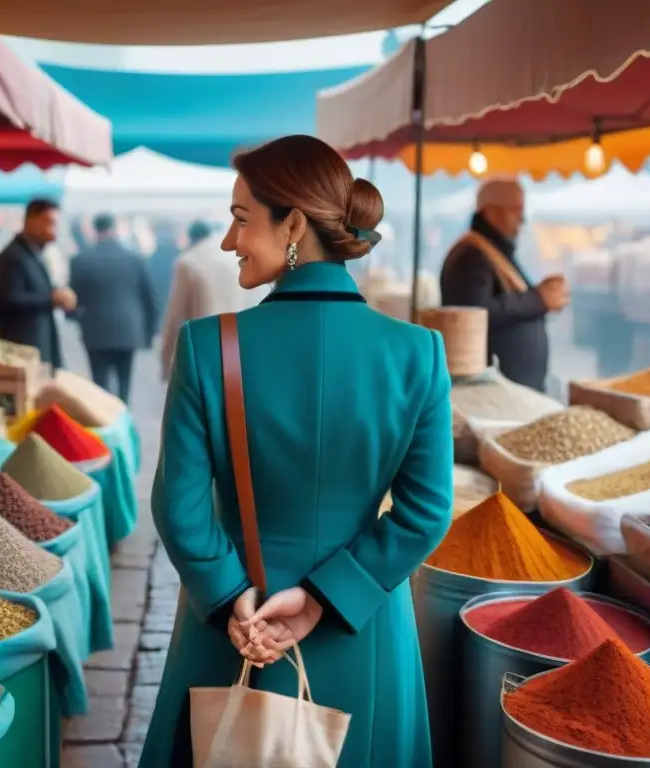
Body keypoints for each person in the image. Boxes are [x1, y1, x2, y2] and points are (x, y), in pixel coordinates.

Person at [140, 135, 454, 767]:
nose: (229, 241)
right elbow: (427, 513)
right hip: (360, 622)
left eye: (240, 219)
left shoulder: (208, 347)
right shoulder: (418, 353)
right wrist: (320, 599)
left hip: (236, 624)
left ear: (295, 224)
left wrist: (230, 597)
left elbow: (180, 507)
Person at [439, 177, 569, 392]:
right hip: (491, 393)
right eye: (515, 210)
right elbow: (474, 314)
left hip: (511, 391)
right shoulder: (470, 255)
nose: (522, 219)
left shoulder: (491, 251)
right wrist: (538, 299)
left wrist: (542, 298)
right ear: (490, 211)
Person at [68, 213, 159, 403]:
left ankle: (104, 426)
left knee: (99, 384)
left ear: (94, 230)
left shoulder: (81, 260)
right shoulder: (135, 259)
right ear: (114, 228)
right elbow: (150, 299)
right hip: (128, 330)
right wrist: (149, 335)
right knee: (124, 382)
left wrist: (77, 317)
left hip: (95, 331)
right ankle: (123, 420)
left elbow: (72, 300)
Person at [159, 219, 264, 381]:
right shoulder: (235, 259)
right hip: (236, 345)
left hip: (200, 347)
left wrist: (166, 359)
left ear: (190, 238)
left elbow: (175, 315)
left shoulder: (187, 262)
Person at [0, 199, 76, 369]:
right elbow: (9, 299)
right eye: (49, 223)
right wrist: (52, 299)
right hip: (18, 353)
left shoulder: (33, 255)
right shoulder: (12, 258)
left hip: (35, 351)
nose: (54, 231)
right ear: (31, 221)